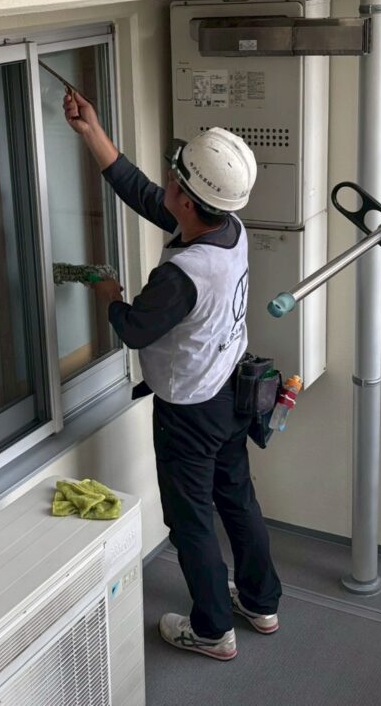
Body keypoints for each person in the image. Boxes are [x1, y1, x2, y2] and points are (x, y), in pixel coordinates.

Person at [65, 90, 282, 661]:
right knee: (237, 499)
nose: (165, 180)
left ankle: (212, 630)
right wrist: (93, 133)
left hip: (190, 410)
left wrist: (110, 294)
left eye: (173, 176)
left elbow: (135, 330)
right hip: (231, 392)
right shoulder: (227, 228)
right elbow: (145, 194)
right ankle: (260, 602)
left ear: (185, 198)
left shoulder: (182, 275)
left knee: (190, 522)